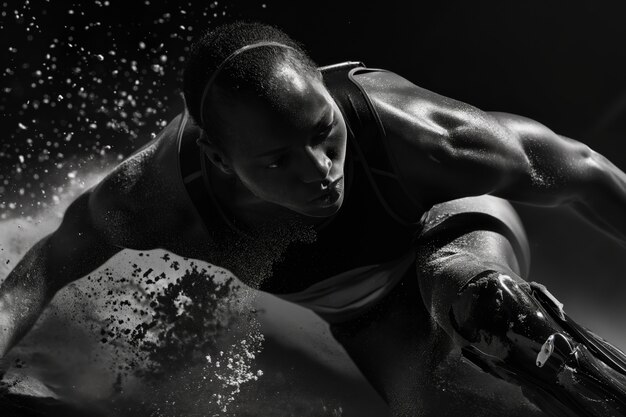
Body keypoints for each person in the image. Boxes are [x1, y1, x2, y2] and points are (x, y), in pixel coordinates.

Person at [1, 21, 626, 416]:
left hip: (449, 229)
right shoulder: (158, 199)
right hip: (368, 319)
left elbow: (588, 172)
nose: (321, 170)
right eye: (278, 161)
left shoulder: (416, 134)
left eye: (325, 133)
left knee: (485, 308)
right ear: (219, 158)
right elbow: (38, 273)